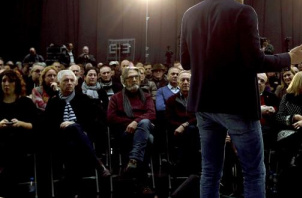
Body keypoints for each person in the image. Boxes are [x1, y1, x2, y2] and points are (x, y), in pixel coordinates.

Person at [180, 0, 302, 198]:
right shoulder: (243, 12)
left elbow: (186, 63)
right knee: (253, 172)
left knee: (210, 172)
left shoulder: (190, 14)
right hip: (236, 105)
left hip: (203, 105)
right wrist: (289, 57)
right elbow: (255, 62)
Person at [44, 70, 110, 197]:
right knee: (71, 134)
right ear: (58, 83)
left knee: (73, 137)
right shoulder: (53, 102)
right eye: (65, 80)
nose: (69, 83)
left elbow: (95, 122)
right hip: (60, 139)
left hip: (82, 138)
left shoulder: (84, 99)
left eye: (71, 80)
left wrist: (76, 126)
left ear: (75, 83)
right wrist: (63, 126)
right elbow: (48, 125)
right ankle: (97, 163)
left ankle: (71, 185)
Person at [107, 67, 156, 195]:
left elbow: (151, 114)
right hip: (124, 133)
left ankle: (133, 162)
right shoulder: (116, 98)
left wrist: (136, 123)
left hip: (142, 131)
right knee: (148, 137)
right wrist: (130, 124)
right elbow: (111, 117)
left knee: (146, 128)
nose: (134, 80)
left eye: (136, 77)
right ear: (123, 80)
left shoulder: (146, 96)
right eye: (130, 78)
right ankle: (143, 183)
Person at [0, 70, 38, 197]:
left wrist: (22, 124)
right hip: (2, 142)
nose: (6, 84)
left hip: (22, 143)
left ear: (16, 83)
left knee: (12, 148)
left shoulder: (25, 102)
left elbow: (38, 125)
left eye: (10, 81)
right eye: (3, 80)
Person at [165, 70, 200, 175]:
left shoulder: (198, 99)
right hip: (177, 132)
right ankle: (191, 166)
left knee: (192, 129)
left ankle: (181, 163)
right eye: (182, 80)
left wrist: (185, 125)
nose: (185, 82)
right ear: (178, 83)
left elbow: (199, 116)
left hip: (196, 131)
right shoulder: (171, 100)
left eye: (188, 80)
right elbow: (168, 119)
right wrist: (180, 127)